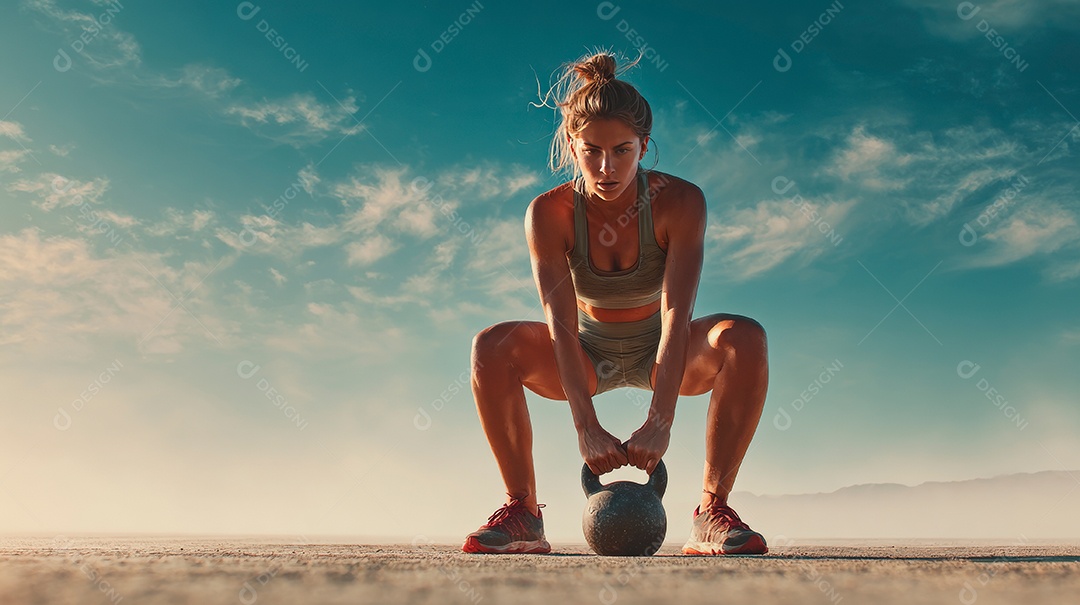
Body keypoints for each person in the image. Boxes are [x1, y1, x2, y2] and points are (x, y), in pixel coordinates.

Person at [462, 51, 769, 555]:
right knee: (490, 346)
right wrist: (585, 427)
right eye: (592, 151)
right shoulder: (548, 213)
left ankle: (713, 511)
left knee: (744, 337)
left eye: (623, 151)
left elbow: (677, 314)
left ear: (645, 146)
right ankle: (523, 512)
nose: (607, 168)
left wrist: (661, 419)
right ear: (571, 144)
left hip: (663, 350)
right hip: (584, 352)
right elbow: (559, 324)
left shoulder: (681, 202)